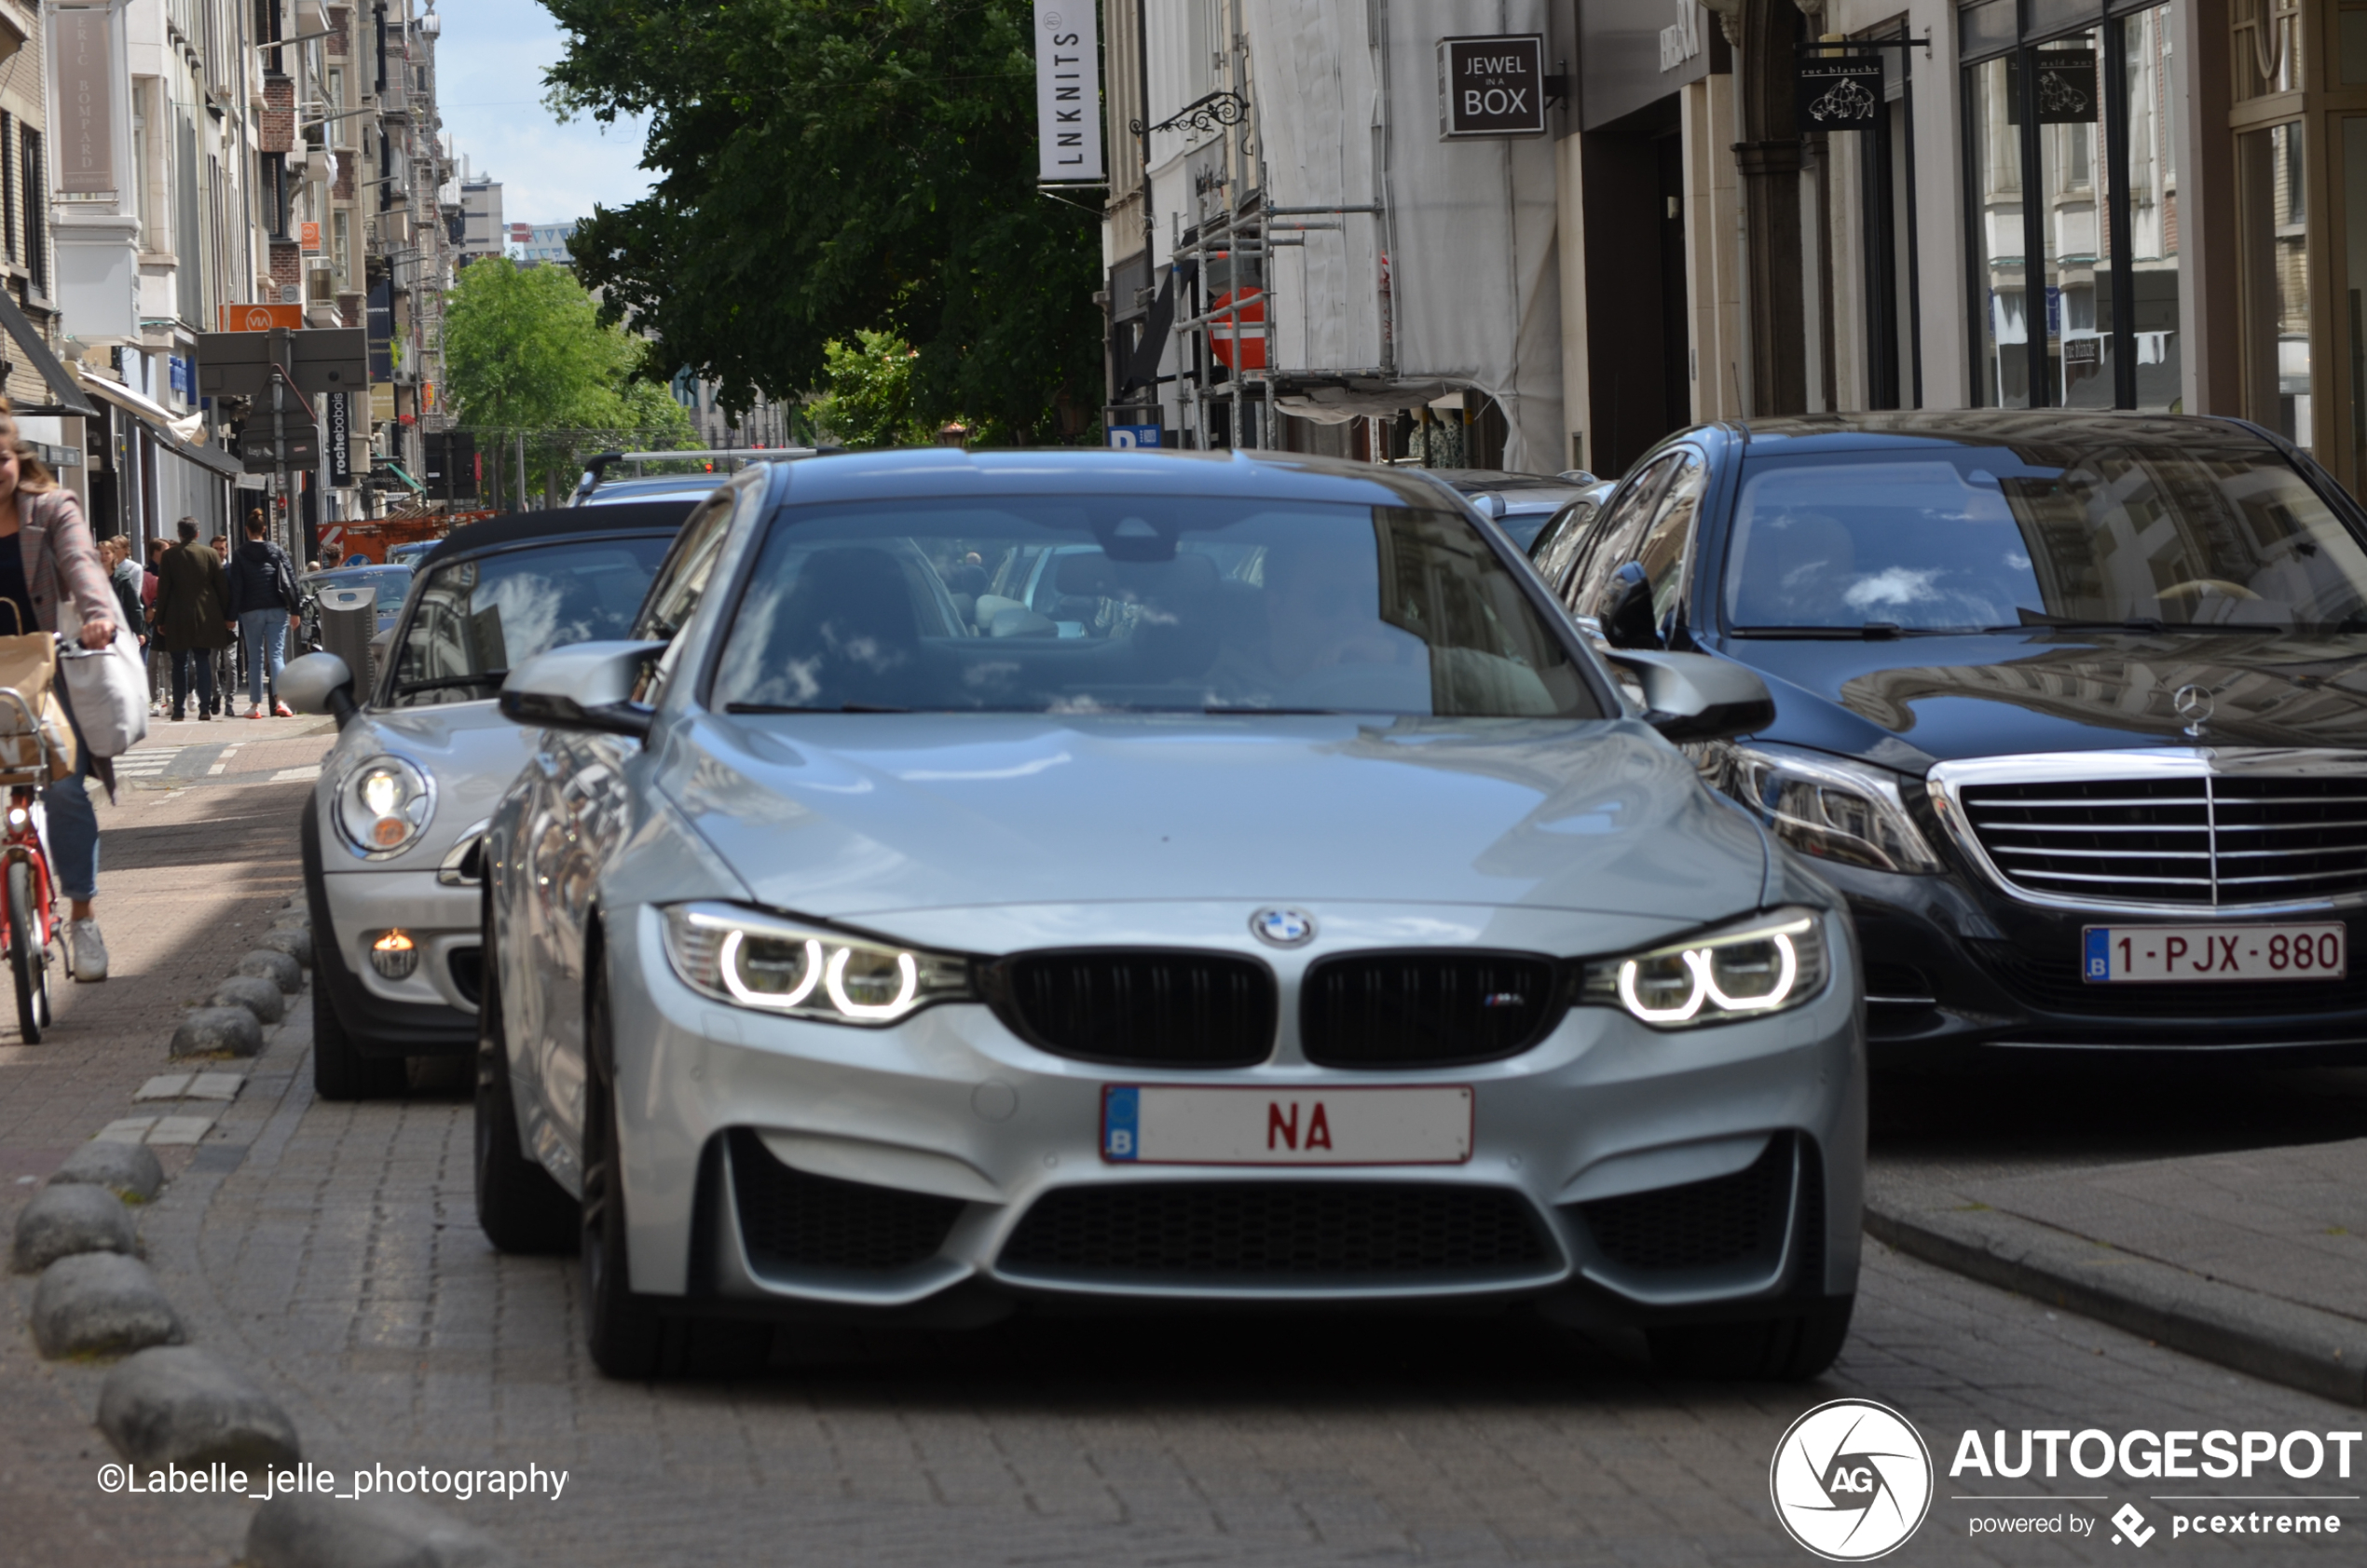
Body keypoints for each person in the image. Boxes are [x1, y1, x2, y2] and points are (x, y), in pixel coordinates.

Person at [0, 401, 122, 981]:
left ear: (16, 458)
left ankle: (82, 914)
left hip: (48, 667)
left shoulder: (50, 508)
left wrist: (98, 617)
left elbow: (82, 566)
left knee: (68, 789)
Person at [154, 517, 232, 722]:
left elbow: (163, 590)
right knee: (203, 660)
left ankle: (179, 709)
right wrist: (227, 616)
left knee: (179, 663)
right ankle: (205, 708)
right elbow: (221, 587)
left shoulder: (170, 556)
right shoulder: (211, 554)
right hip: (206, 615)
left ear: (180, 534)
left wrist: (160, 619)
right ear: (198, 533)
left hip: (177, 616)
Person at [225, 509, 296, 717]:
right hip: (276, 609)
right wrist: (295, 609)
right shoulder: (276, 551)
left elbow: (236, 588)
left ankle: (255, 706)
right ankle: (281, 702)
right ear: (265, 529)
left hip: (251, 611)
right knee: (276, 655)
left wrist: (230, 616)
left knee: (254, 658)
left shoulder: (239, 555)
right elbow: (290, 580)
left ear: (247, 530)